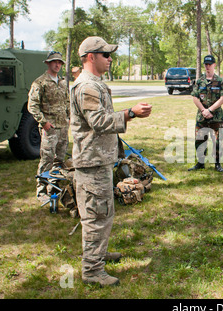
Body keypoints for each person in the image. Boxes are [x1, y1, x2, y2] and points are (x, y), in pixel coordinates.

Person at [70, 36, 152, 287]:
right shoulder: (87, 86)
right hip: (91, 162)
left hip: (98, 159)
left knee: (104, 211)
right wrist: (131, 113)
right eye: (105, 55)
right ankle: (92, 270)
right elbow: (99, 122)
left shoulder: (95, 83)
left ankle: (99, 254)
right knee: (96, 216)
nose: (110, 58)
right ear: (90, 57)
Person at [28, 51, 70, 203]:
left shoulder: (63, 81)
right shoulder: (40, 83)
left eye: (59, 62)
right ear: (47, 63)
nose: (57, 64)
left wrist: (69, 117)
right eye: (54, 62)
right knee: (47, 159)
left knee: (59, 159)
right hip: (50, 128)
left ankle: (54, 186)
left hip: (63, 127)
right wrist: (43, 122)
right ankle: (41, 190)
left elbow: (67, 101)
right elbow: (32, 106)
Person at [188, 55, 223, 173]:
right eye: (206, 64)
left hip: (216, 117)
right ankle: (200, 163)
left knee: (217, 140)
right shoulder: (199, 81)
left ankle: (217, 164)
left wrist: (210, 110)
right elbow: (195, 98)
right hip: (202, 116)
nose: (208, 66)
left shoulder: (220, 81)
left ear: (214, 65)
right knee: (200, 140)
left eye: (210, 64)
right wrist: (203, 111)